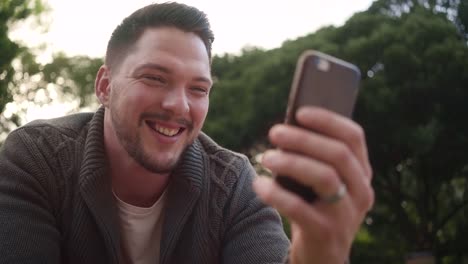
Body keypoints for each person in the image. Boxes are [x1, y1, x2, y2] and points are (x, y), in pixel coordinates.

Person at [0, 2, 374, 264]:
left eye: (198, 89)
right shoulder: (37, 159)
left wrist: (320, 257)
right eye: (154, 78)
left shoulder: (234, 185)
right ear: (104, 85)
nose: (179, 106)